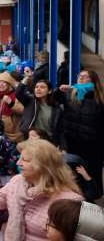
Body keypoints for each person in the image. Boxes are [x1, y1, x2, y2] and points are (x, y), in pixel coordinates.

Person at [0, 139, 83, 240]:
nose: (18, 163)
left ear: (44, 165)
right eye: (20, 158)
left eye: (25, 160)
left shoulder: (69, 200)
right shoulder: (17, 181)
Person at [56, 69, 104, 199]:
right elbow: (52, 100)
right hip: (72, 145)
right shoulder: (70, 93)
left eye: (85, 76)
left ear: (92, 80)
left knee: (90, 177)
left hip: (92, 147)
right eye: (79, 75)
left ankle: (90, 206)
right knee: (73, 177)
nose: (80, 78)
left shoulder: (99, 99)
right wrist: (59, 90)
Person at [14, 78, 61, 144]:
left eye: (42, 87)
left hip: (48, 141)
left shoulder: (56, 107)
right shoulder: (30, 101)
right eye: (36, 87)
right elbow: (18, 93)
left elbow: (60, 129)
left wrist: (62, 146)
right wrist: (25, 80)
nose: (38, 89)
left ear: (49, 91)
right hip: (31, 139)